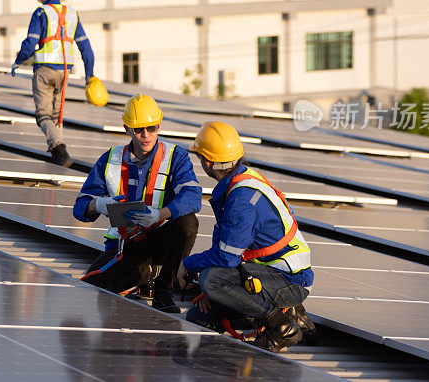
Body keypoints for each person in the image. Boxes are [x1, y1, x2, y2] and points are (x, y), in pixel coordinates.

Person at [178, 121, 315, 353]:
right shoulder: (239, 181)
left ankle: (280, 326)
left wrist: (188, 264)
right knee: (199, 316)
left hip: (289, 279)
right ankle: (287, 311)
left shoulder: (242, 199)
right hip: (266, 271)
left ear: (208, 161)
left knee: (212, 280)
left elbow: (226, 258)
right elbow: (226, 243)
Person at [73, 94, 202, 313]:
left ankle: (163, 292)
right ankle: (142, 275)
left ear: (159, 126)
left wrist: (160, 214)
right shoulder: (110, 159)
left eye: (151, 128)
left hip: (162, 237)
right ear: (127, 129)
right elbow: (80, 208)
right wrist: (99, 205)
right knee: (88, 286)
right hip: (126, 244)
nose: (146, 135)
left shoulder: (175, 156)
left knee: (188, 223)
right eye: (139, 129)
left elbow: (192, 196)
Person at [11, 0, 95, 167]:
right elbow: (86, 48)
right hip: (64, 72)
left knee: (43, 115)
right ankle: (58, 156)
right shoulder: (72, 14)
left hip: (44, 70)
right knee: (57, 116)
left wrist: (18, 61)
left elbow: (30, 42)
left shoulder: (41, 12)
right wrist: (90, 75)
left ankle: (59, 148)